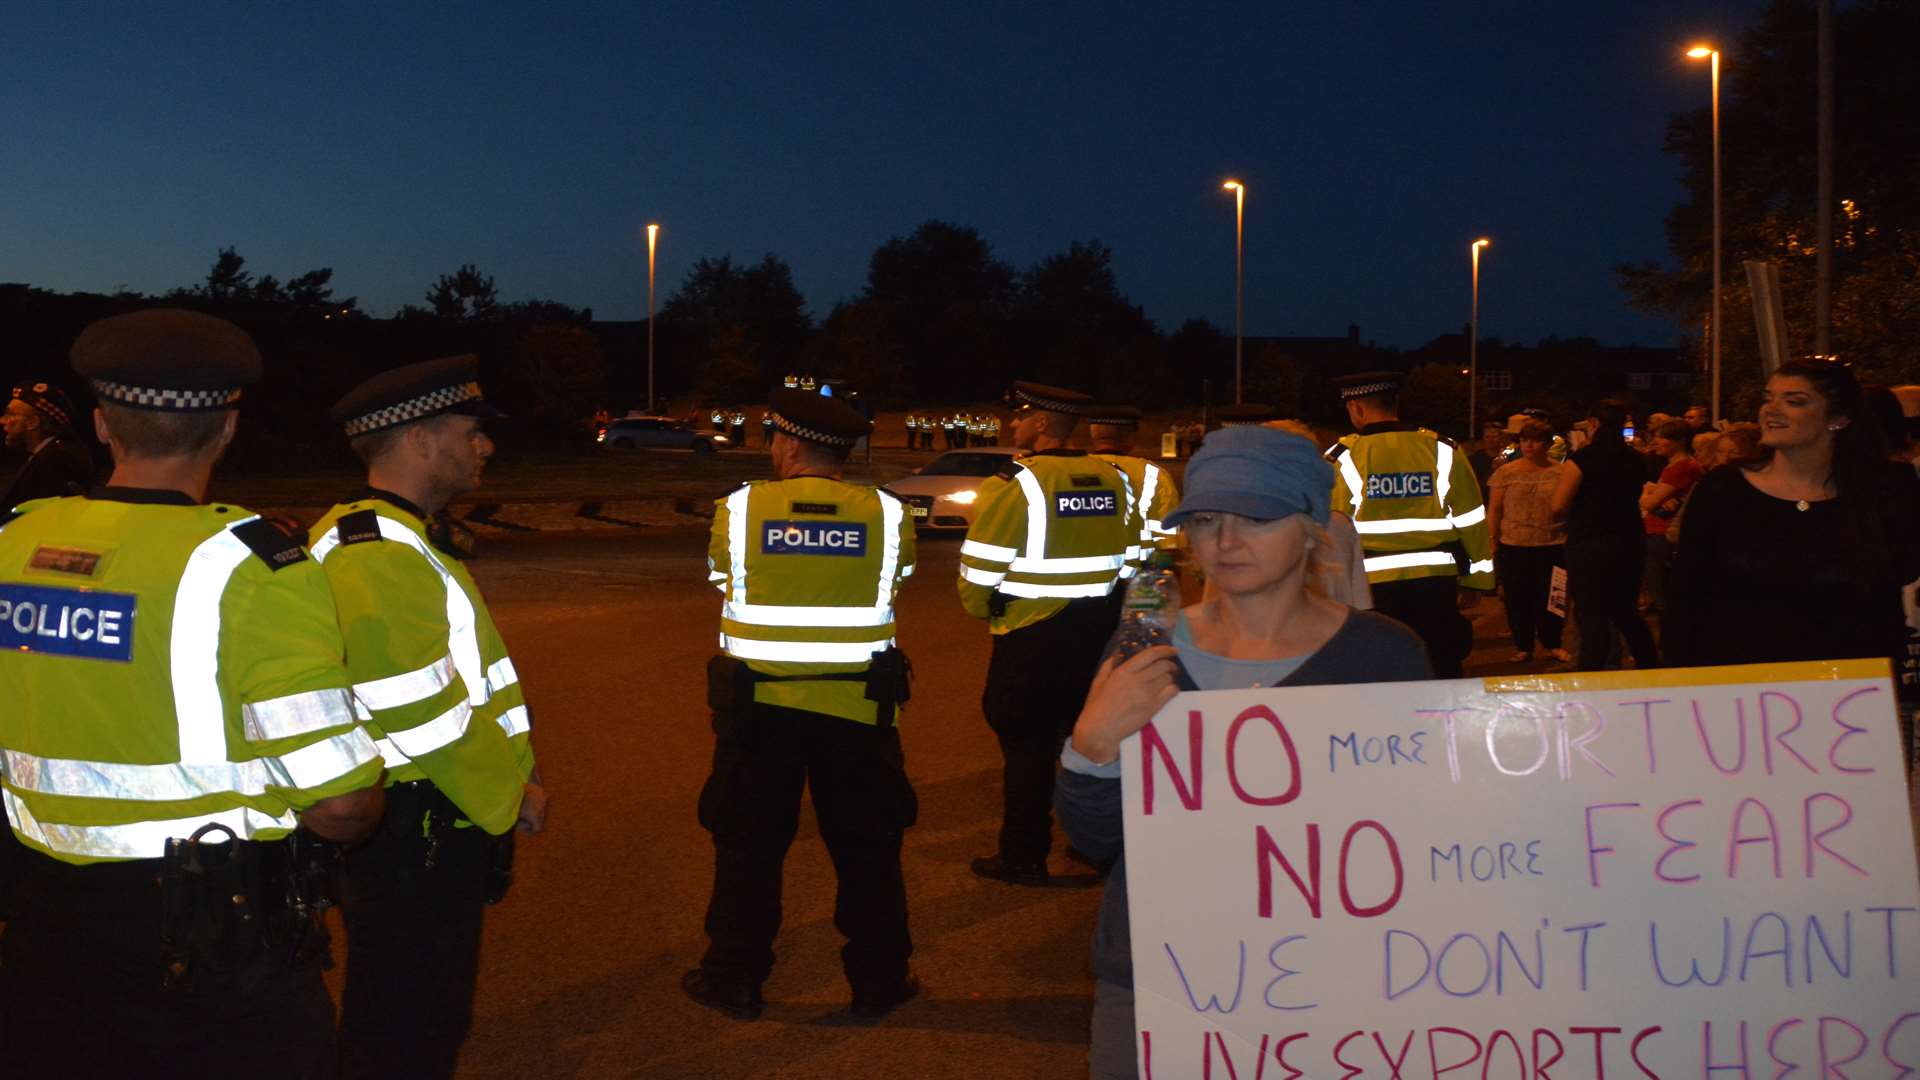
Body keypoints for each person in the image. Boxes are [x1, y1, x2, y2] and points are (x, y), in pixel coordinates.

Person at [0, 308, 385, 1077]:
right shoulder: (249, 564)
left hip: (37, 921)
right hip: (205, 941)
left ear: (104, 426)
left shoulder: (14, 540)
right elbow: (339, 807)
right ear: (228, 428)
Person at [1055, 425, 1432, 1079]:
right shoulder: (1146, 653)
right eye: (1205, 520)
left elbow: (1427, 832)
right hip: (1160, 977)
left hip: (1329, 976)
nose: (1224, 542)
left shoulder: (1384, 654)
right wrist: (1092, 745)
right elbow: (1095, 839)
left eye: (1255, 517)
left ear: (1314, 524)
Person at [308, 355, 546, 1079]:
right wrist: (510, 795)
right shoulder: (375, 550)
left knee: (413, 1014)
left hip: (424, 819)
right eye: (471, 432)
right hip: (420, 827)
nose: (486, 446)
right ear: (418, 439)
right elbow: (420, 710)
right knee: (407, 1026)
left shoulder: (397, 537)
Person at [684, 388, 920, 1021]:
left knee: (749, 850)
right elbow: (898, 581)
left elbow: (720, 576)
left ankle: (733, 978)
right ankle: (879, 980)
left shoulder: (739, 509)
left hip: (760, 710)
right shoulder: (888, 514)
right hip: (858, 712)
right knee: (869, 850)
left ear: (787, 444)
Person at [958, 382, 1139, 885]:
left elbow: (981, 566)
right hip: (1097, 628)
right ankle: (1099, 848)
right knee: (1094, 744)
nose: (1013, 425)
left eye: (1021, 417)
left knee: (1027, 752)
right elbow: (1134, 555)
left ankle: (1023, 854)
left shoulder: (1019, 483)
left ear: (1041, 424)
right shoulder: (1113, 478)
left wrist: (982, 607)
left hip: (1031, 635)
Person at [1665, 359, 1920, 682]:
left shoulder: (1887, 487)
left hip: (1850, 694)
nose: (1771, 410)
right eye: (1769, 398)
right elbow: (1686, 595)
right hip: (1739, 690)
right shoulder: (1724, 489)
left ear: (1838, 418)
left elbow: (1900, 573)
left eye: (1794, 401)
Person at [1325, 371, 1492, 677]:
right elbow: (1471, 519)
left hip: (1372, 589)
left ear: (1358, 408)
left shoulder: (1343, 457)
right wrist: (1476, 580)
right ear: (1395, 402)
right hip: (1436, 584)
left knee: (1382, 671)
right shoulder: (1443, 448)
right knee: (1440, 665)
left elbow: (1334, 531)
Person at [1551, 401, 1660, 671]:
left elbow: (1559, 504)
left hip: (1590, 542)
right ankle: (1649, 663)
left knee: (1591, 612)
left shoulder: (1583, 459)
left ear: (1595, 424)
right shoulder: (1635, 458)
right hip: (1628, 539)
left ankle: (1592, 670)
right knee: (1625, 610)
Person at [1486, 420, 1570, 663]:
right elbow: (1495, 510)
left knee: (1554, 595)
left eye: (1535, 440)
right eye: (1524, 440)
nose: (1529, 445)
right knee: (1517, 596)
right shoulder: (1506, 472)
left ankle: (1553, 642)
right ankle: (1523, 645)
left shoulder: (1560, 472)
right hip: (1514, 543)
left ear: (1547, 443)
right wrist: (1492, 539)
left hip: (1552, 542)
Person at [1087, 404, 1181, 552]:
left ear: (1092, 434)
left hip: (1087, 571)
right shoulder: (1155, 475)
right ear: (1130, 438)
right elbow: (1169, 541)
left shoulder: (1070, 472)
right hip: (1140, 571)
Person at [1638, 419, 1704, 614]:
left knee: (1662, 593)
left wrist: (1645, 490)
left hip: (1662, 533)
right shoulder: (1679, 466)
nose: (1655, 442)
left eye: (1662, 438)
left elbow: (1648, 503)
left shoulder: (1680, 468)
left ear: (1680, 441)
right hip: (1661, 532)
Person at [2, 381, 95, 508]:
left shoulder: (58, 461)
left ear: (32, 422)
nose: (2, 421)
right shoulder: (48, 456)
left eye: (10, 414)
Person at [1467, 420, 1508, 492]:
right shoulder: (1474, 459)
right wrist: (1493, 470)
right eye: (1487, 437)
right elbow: (1474, 484)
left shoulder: (1508, 456)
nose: (1491, 440)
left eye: (1494, 437)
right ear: (1483, 438)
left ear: (1500, 438)